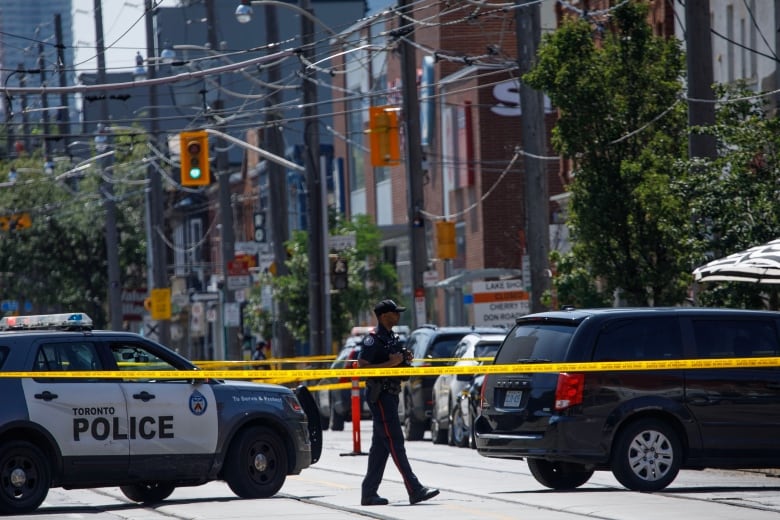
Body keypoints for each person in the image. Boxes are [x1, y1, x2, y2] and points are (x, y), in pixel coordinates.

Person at [358, 299, 439, 506]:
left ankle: (369, 493)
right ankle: (414, 489)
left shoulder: (392, 338)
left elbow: (398, 366)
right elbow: (362, 368)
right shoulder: (373, 340)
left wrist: (404, 360)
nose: (398, 315)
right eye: (395, 312)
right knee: (395, 441)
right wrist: (390, 363)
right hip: (381, 396)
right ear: (385, 315)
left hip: (392, 394)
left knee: (380, 447)